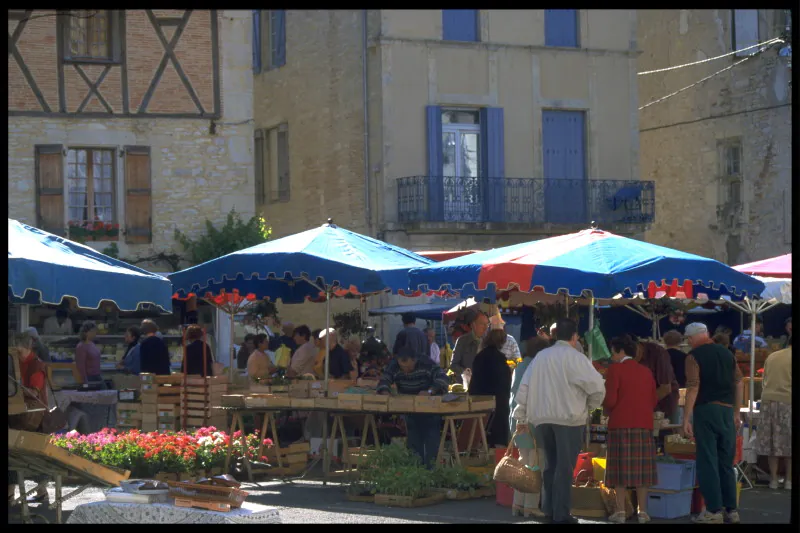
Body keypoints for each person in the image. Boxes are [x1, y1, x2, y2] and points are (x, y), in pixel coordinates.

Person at [513, 318, 605, 525]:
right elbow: (597, 387)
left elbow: (524, 387)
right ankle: (561, 513)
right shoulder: (577, 358)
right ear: (574, 337)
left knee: (550, 465)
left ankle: (549, 508)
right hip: (569, 419)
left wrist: (522, 415)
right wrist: (591, 405)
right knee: (564, 467)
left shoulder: (540, 357)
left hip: (541, 418)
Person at [682, 322, 743, 524]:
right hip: (727, 411)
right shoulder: (727, 354)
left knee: (707, 460)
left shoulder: (693, 356)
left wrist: (686, 417)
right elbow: (739, 382)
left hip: (706, 410)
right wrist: (736, 411)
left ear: (691, 338)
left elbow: (693, 387)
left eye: (688, 339)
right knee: (726, 462)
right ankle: (731, 510)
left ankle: (713, 511)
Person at [604, 335, 659, 524]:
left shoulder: (615, 370)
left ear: (620, 352)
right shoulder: (646, 371)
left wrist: (604, 407)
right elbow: (653, 400)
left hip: (620, 423)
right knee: (642, 472)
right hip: (643, 424)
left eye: (613, 352)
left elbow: (610, 400)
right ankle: (643, 512)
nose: (611, 356)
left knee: (620, 470)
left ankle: (620, 512)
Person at [376, 345, 449, 468]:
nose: (405, 371)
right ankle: (416, 472)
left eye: (408, 368)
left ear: (415, 360)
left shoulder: (426, 363)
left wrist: (430, 391)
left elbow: (443, 379)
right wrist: (385, 392)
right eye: (402, 368)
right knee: (413, 444)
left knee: (431, 443)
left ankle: (432, 473)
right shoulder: (394, 365)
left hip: (430, 409)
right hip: (409, 409)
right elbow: (384, 380)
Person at [509, 336, 550, 518]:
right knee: (535, 465)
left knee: (524, 465)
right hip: (530, 422)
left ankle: (517, 504)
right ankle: (531, 506)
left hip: (516, 421)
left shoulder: (520, 365)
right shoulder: (537, 367)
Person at [8, 331, 50, 504]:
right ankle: (13, 494)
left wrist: (17, 388)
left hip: (33, 416)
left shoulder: (36, 366)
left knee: (30, 455)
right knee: (14, 454)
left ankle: (40, 492)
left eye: (20, 351)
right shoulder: (15, 362)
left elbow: (34, 392)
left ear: (27, 348)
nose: (17, 354)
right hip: (18, 413)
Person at [469, 314, 513, 447]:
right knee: (496, 440)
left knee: (482, 435)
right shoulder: (500, 359)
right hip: (498, 404)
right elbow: (505, 383)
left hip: (479, 401)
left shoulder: (480, 356)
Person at [757, 336, 792, 490]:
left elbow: (764, 380)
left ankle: (773, 480)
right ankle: (789, 481)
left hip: (768, 401)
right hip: (789, 401)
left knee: (772, 442)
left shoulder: (772, 356)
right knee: (789, 442)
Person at [635, 335, 678, 420]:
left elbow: (665, 388)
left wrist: (641, 404)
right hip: (642, 406)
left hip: (664, 405)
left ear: (638, 346)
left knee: (666, 432)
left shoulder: (658, 352)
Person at [450, 310, 489, 375]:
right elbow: (453, 365)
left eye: (487, 324)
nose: (485, 328)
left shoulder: (489, 342)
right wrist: (466, 373)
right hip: (466, 383)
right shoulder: (462, 341)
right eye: (482, 324)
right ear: (473, 325)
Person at [75, 321, 103, 385]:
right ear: (86, 332)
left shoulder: (92, 343)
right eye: (93, 331)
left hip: (97, 376)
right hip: (89, 378)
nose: (95, 333)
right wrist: (85, 381)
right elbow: (80, 366)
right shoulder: (81, 346)